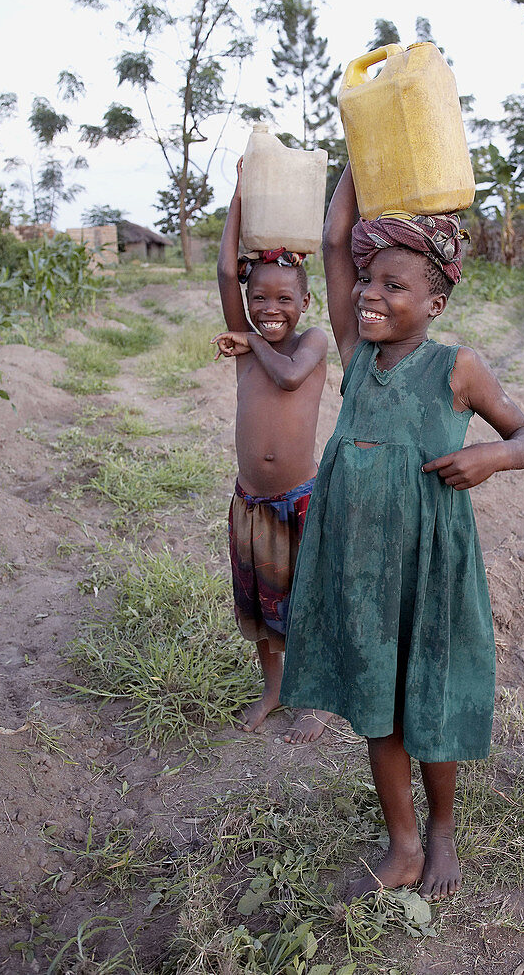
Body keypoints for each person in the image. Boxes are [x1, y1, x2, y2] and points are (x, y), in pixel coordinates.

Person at [279, 164, 524, 899]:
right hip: (359, 565)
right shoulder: (357, 356)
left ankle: (441, 830)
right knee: (377, 701)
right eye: (369, 281)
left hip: (430, 564)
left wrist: (491, 455)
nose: (371, 294)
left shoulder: (457, 369)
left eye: (395, 286)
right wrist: (362, 156)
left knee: (430, 692)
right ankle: (399, 842)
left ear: (435, 300)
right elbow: (335, 241)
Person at [212, 157, 332, 745]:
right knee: (261, 608)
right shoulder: (250, 341)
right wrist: (240, 195)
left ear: (303, 303)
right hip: (250, 503)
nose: (268, 309)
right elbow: (220, 269)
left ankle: (315, 698)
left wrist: (250, 343)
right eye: (258, 298)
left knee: (305, 603)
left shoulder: (313, 342)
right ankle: (274, 687)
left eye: (284, 298)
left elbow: (286, 377)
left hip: (298, 501)